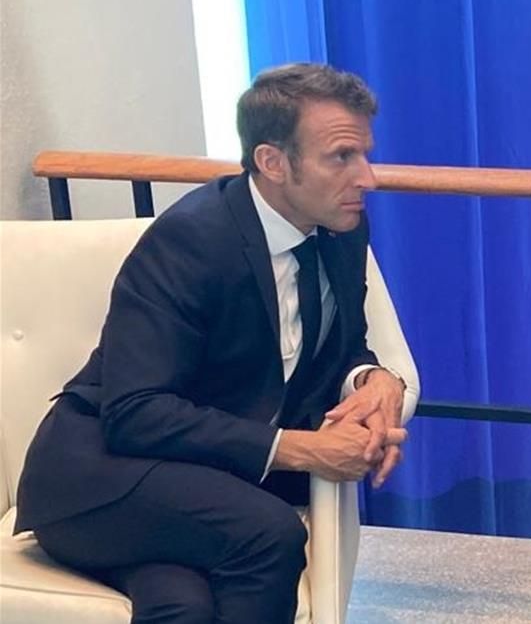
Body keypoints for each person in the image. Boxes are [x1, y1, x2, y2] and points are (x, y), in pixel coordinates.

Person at [15, 63, 413, 624]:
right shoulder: (192, 241)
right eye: (341, 157)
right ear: (273, 162)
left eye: (365, 154)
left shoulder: (340, 228)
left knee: (181, 606)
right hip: (98, 477)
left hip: (200, 483)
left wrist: (373, 379)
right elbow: (135, 412)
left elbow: (344, 344)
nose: (367, 178)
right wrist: (301, 448)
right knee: (268, 533)